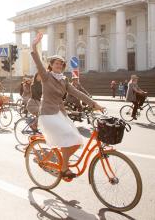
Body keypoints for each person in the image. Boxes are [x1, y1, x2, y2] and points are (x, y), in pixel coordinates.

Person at [31, 32, 103, 179]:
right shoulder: (46, 77)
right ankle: (64, 168)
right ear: (51, 66)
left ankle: (63, 166)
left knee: (77, 141)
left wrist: (94, 104)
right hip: (47, 114)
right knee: (68, 136)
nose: (59, 65)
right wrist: (34, 45)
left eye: (61, 64)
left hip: (60, 114)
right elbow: (38, 62)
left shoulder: (64, 80)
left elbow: (78, 93)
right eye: (56, 63)